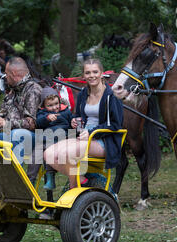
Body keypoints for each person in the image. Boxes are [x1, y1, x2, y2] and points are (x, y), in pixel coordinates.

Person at [44, 58, 124, 189]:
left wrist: (91, 133)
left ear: (101, 73)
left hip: (103, 140)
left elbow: (115, 124)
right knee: (49, 153)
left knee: (67, 153)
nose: (91, 76)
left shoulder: (111, 95)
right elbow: (79, 116)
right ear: (83, 76)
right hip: (84, 137)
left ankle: (73, 190)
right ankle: (82, 180)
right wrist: (75, 121)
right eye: (88, 73)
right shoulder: (83, 94)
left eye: (95, 72)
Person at [34, 87, 73, 190]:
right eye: (50, 106)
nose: (54, 107)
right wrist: (47, 118)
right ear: (44, 106)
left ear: (59, 101)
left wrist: (74, 123)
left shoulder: (66, 111)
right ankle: (36, 179)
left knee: (50, 148)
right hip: (47, 138)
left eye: (56, 103)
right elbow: (38, 123)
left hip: (62, 138)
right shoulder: (42, 114)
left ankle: (50, 177)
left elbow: (71, 123)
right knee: (38, 153)